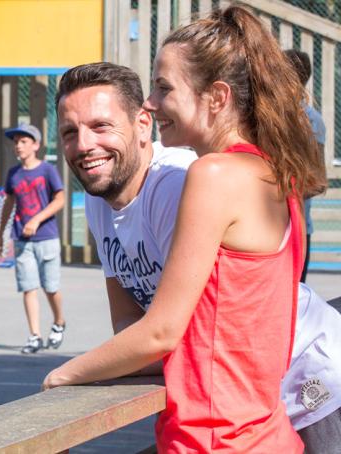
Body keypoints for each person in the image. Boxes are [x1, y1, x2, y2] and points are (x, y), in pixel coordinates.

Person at [45, 7, 328, 451]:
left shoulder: (209, 175)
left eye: (163, 87)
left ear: (216, 96)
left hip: (232, 430)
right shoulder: (264, 167)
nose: (152, 103)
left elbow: (161, 330)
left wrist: (63, 374)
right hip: (257, 425)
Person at [0, 123, 67, 354]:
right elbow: (9, 204)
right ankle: (34, 336)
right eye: (16, 142)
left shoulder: (47, 170)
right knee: (28, 287)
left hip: (47, 238)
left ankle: (59, 322)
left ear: (36, 145)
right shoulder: (13, 174)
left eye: (24, 141)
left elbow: (60, 199)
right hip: (22, 240)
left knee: (51, 287)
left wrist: (36, 220)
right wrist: (1, 234)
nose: (18, 145)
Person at [283, 49, 328, 283]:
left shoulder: (309, 120)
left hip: (293, 226)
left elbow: (318, 179)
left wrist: (281, 190)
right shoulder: (268, 114)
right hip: (278, 225)